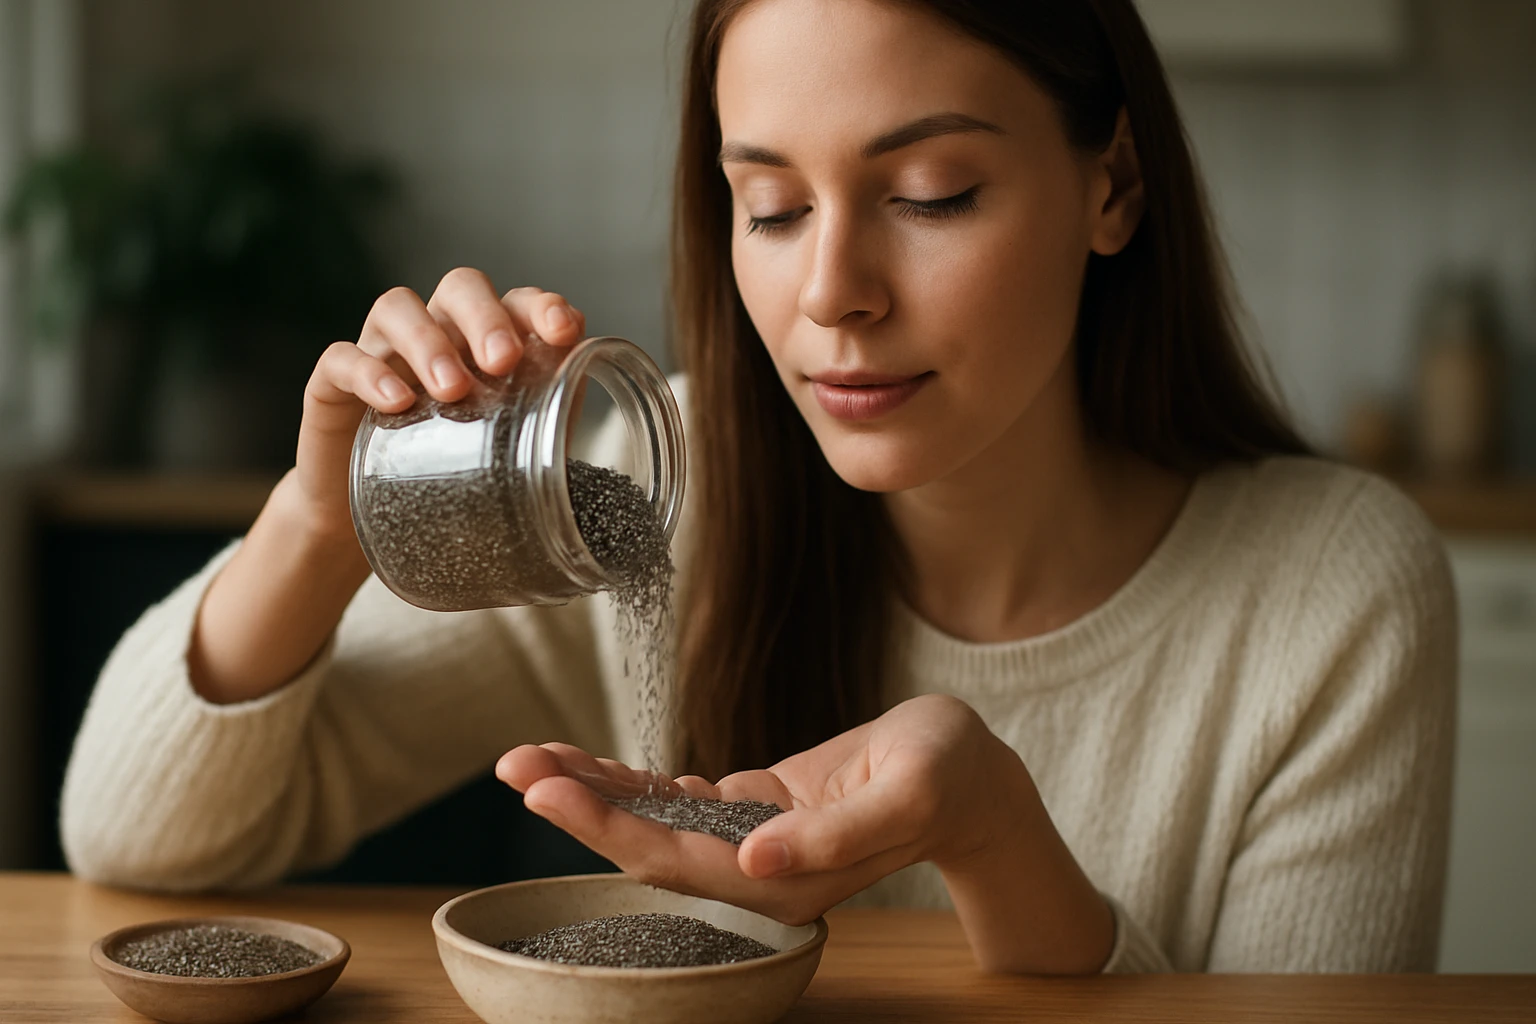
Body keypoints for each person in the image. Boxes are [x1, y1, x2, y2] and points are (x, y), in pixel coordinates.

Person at [60, 0, 1456, 975]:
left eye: (931, 193)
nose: (832, 292)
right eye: (773, 208)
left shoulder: (1330, 592)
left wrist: (998, 843)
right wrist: (324, 519)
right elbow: (133, 833)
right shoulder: (653, 491)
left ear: (1115, 186)